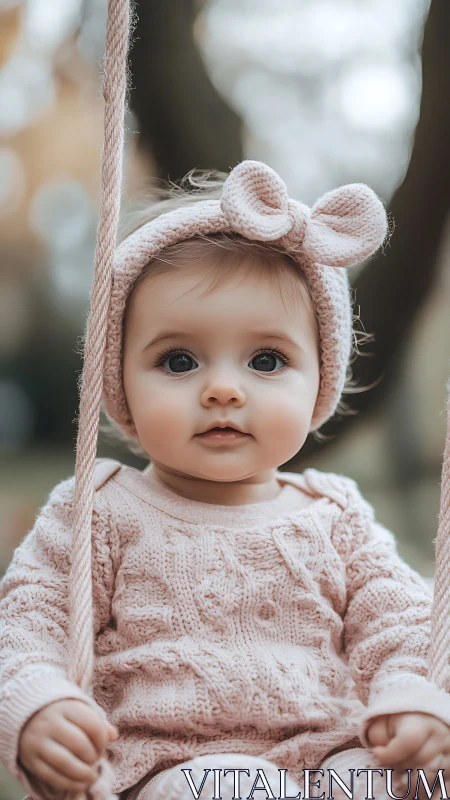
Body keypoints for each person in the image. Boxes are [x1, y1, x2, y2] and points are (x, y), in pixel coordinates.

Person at [1, 160, 450, 800]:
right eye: (178, 360)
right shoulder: (100, 509)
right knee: (234, 786)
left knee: (400, 781)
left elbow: (404, 624)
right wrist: (38, 705)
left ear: (320, 379)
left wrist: (413, 700)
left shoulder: (335, 514)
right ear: (118, 378)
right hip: (171, 769)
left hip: (333, 759)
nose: (221, 389)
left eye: (266, 360)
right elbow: (28, 622)